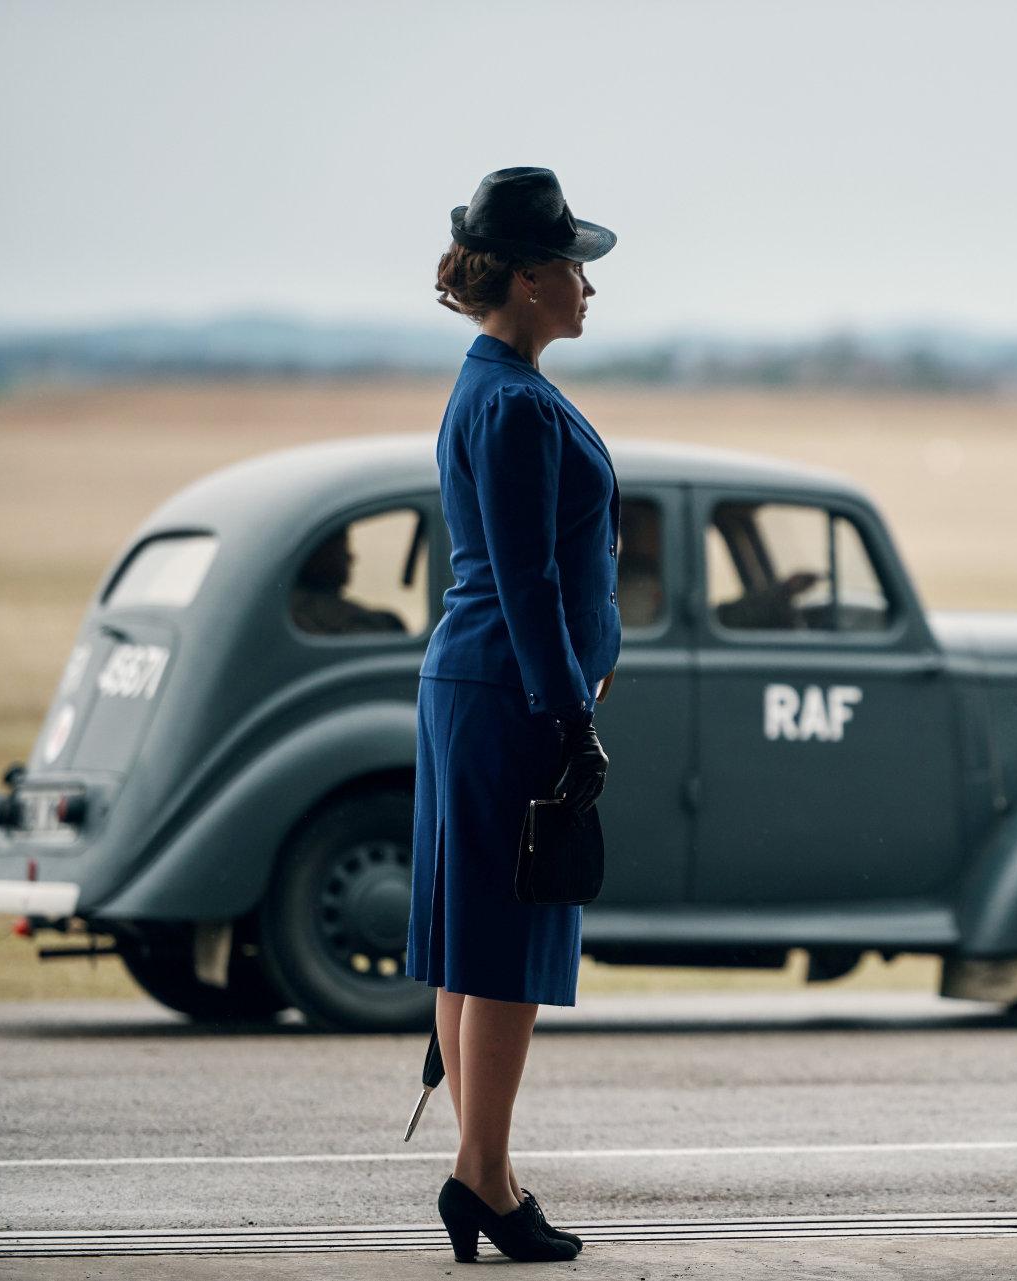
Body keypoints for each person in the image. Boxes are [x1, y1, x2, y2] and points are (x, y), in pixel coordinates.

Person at [405, 166, 621, 1263]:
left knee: (471, 939)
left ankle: (484, 1173)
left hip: (479, 681)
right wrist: (564, 709)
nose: (589, 284)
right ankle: (481, 1179)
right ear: (531, 278)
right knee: (505, 943)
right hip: (509, 690)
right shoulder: (518, 404)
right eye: (575, 265)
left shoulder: (487, 383)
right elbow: (532, 578)